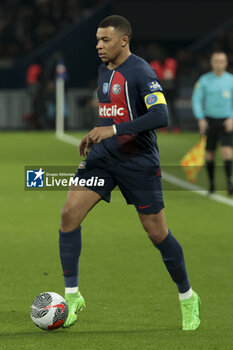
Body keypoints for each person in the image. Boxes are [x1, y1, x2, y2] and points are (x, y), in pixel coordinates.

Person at [59, 15, 200, 331]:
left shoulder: (142, 71)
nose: (98, 46)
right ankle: (72, 298)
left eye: (105, 40)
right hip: (103, 160)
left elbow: (160, 115)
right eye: (97, 40)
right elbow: (112, 112)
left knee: (156, 233)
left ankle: (188, 296)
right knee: (69, 215)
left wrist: (112, 129)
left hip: (138, 164)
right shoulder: (103, 70)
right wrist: (97, 130)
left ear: (124, 40)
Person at [192, 51, 233, 195]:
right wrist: (201, 118)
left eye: (221, 61)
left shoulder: (230, 80)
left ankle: (229, 183)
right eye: (216, 61)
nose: (219, 64)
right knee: (210, 154)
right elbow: (196, 100)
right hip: (209, 120)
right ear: (212, 63)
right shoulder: (204, 80)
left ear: (226, 63)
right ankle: (212, 185)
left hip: (226, 120)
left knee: (227, 152)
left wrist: (232, 117)